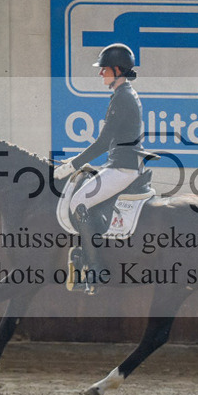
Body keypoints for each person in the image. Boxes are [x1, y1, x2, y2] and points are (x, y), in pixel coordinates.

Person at [53, 43, 146, 292]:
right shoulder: (122, 94)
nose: (100, 74)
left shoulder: (124, 97)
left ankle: (96, 270)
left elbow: (103, 142)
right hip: (119, 164)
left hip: (123, 168)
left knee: (78, 203)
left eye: (103, 69)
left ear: (117, 69)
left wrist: (71, 164)